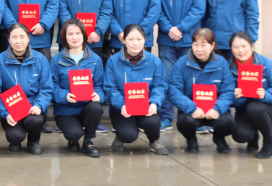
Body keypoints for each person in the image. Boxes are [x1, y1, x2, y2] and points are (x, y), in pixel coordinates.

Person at [155, 0, 208, 131]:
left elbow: (198, 10)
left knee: (191, 77)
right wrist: (169, 28)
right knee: (166, 77)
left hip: (189, 39)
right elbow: (156, 9)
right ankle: (166, 117)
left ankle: (194, 116)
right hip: (166, 39)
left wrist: (181, 28)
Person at [103, 24, 169, 155]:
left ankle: (154, 140)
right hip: (122, 109)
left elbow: (160, 86)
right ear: (124, 40)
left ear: (145, 40)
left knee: (152, 122)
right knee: (128, 135)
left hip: (146, 107)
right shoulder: (113, 61)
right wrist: (122, 104)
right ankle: (121, 137)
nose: (135, 43)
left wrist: (154, 103)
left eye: (139, 39)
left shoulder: (154, 61)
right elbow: (110, 88)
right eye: (131, 39)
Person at [168, 28, 235, 153]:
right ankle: (191, 140)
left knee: (227, 123)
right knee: (184, 122)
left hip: (214, 107)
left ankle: (219, 139)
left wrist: (217, 108)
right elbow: (174, 91)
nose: (199, 49)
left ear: (212, 46)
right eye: (196, 44)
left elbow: (229, 90)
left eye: (203, 45)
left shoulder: (221, 63)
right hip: (192, 108)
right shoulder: (182, 63)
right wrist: (191, 108)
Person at [0, 23, 53, 155]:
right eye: (14, 37)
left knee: (35, 120)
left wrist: (39, 105)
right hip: (11, 108)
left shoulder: (40, 59)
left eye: (22, 36)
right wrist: (5, 113)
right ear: (8, 39)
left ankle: (33, 141)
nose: (18, 41)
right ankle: (15, 141)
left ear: (28, 38)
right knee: (15, 137)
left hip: (32, 106)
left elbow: (47, 88)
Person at [50, 20, 106, 157]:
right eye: (70, 34)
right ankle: (73, 140)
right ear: (64, 37)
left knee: (96, 107)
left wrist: (98, 95)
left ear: (84, 35)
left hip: (87, 107)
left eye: (78, 33)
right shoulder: (56, 60)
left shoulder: (95, 59)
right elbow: (52, 86)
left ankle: (88, 141)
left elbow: (100, 85)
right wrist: (65, 95)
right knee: (74, 134)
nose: (74, 37)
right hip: (66, 110)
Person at [228, 31, 272, 159]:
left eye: (244, 46)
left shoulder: (265, 63)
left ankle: (269, 142)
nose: (240, 50)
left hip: (271, 109)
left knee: (254, 107)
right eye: (236, 47)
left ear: (252, 46)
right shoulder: (228, 68)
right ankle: (253, 136)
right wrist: (236, 96)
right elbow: (226, 96)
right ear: (231, 49)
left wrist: (266, 94)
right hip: (244, 110)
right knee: (240, 135)